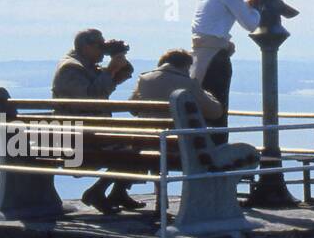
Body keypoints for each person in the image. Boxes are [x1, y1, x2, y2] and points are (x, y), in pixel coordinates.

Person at [190, 0, 284, 137]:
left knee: (202, 102)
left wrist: (249, 3)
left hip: (199, 54)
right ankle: (218, 148)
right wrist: (256, 3)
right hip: (216, 58)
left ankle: (203, 146)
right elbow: (250, 24)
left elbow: (230, 11)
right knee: (217, 105)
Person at [51, 28, 136, 214]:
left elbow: (123, 74)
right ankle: (97, 192)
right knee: (135, 148)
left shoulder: (85, 65)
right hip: (78, 137)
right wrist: (111, 69)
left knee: (138, 144)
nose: (102, 51)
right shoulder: (71, 68)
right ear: (86, 46)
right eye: (99, 47)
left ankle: (118, 192)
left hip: (89, 132)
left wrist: (117, 57)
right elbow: (91, 99)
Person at [129, 49, 223, 120]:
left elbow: (132, 109)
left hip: (148, 137)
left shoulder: (144, 79)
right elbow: (215, 113)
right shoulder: (189, 83)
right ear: (186, 65)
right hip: (180, 141)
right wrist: (207, 94)